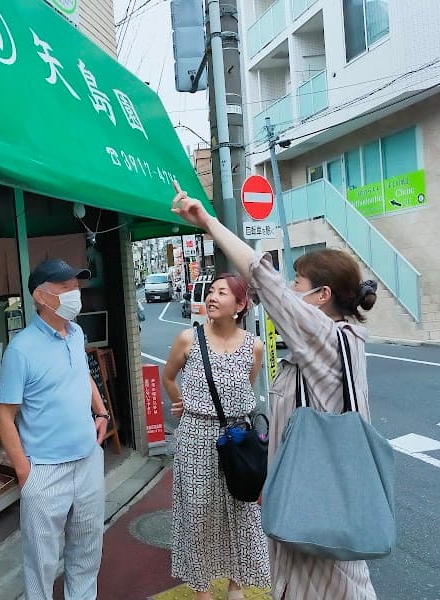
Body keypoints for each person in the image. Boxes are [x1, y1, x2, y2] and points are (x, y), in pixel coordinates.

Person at [170, 181, 379, 600]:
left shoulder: (323, 337)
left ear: (321, 297)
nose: (288, 293)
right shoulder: (344, 341)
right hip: (318, 495)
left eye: (297, 285)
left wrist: (208, 220)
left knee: (323, 584)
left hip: (314, 503)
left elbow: (262, 278)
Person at [0, 258, 110, 600]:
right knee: (41, 563)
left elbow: (81, 374)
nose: (76, 293)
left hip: (88, 460)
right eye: (66, 288)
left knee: (87, 551)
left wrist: (101, 411)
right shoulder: (21, 350)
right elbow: (4, 416)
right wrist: (24, 473)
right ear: (41, 297)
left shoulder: (76, 333)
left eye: (76, 286)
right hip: (44, 470)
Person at [162, 273, 270, 600]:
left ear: (239, 305)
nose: (212, 297)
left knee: (240, 510)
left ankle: (236, 585)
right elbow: (168, 377)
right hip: (195, 437)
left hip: (236, 438)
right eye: (210, 292)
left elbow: (245, 388)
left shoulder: (255, 346)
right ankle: (202, 589)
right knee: (198, 515)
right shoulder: (188, 339)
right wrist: (183, 403)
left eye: (221, 293)